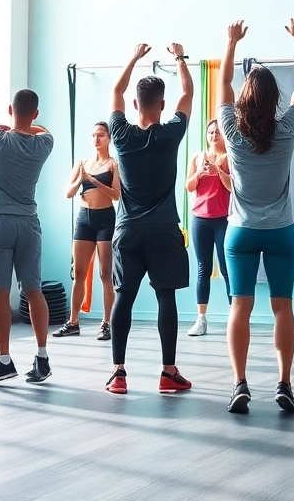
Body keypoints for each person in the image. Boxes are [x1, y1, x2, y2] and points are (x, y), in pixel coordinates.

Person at [217, 19, 294, 414]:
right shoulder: (287, 128)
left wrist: (231, 42)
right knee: (282, 307)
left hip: (239, 232)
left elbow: (222, 86)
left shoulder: (232, 133)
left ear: (244, 98)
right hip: (280, 233)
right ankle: (284, 384)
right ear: (275, 98)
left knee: (240, 306)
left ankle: (240, 384)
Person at [104, 42, 194, 395]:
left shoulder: (121, 136)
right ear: (161, 105)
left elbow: (115, 91)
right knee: (165, 297)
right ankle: (168, 373)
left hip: (127, 230)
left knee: (123, 297)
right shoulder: (171, 133)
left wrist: (132, 58)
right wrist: (180, 58)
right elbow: (187, 91)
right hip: (163, 229)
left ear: (136, 105)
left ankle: (119, 373)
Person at [0, 48, 57, 386]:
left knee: (1, 294)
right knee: (34, 291)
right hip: (29, 224)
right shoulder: (43, 143)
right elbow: (43, 129)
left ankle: (4, 360)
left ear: (9, 111)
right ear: (34, 114)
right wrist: (30, 125)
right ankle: (43, 356)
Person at [55, 123, 120, 340]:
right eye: (93, 135)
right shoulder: (83, 163)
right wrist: (80, 180)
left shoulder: (113, 164)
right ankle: (73, 322)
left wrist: (92, 180)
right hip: (84, 219)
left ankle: (107, 323)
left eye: (100, 135)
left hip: (105, 220)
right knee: (79, 274)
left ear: (108, 138)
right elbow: (68, 192)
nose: (96, 139)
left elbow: (116, 195)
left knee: (105, 274)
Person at [185, 119, 231, 337]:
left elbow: (234, 187)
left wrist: (218, 171)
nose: (214, 135)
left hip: (222, 220)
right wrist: (200, 173)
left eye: (218, 132)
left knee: (226, 269)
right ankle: (201, 320)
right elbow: (189, 186)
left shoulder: (229, 158)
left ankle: (235, 317)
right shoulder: (197, 157)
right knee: (203, 268)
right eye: (210, 132)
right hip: (200, 220)